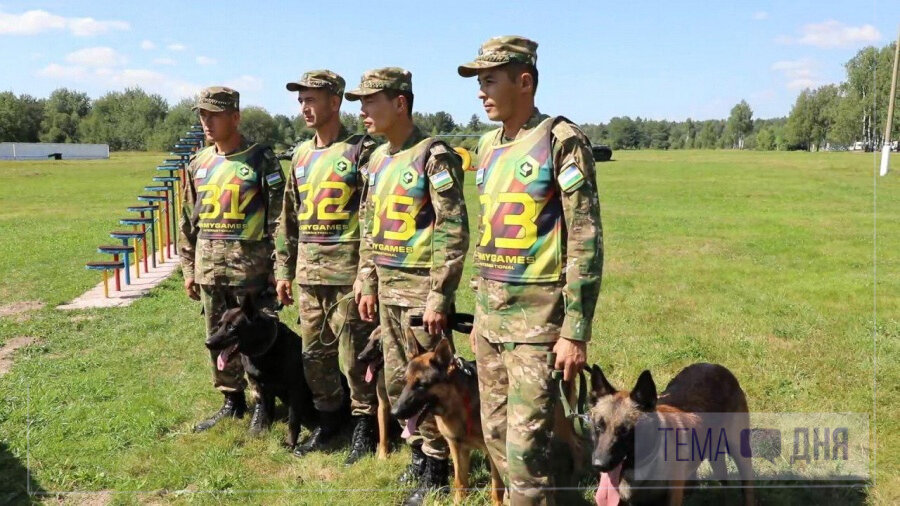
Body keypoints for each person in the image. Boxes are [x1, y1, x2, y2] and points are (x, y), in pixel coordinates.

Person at [458, 36, 603, 504]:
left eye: (490, 80)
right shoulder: (485, 146)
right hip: (489, 323)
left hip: (537, 329)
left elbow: (585, 238)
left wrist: (575, 330)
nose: (481, 91)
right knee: (497, 437)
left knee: (524, 451)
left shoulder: (560, 140)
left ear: (524, 81)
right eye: (479, 82)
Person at [347, 67, 469, 505]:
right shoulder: (377, 159)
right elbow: (368, 227)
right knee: (400, 380)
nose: (362, 110)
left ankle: (439, 468)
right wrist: (366, 280)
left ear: (400, 103)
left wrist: (439, 294)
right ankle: (419, 456)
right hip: (387, 293)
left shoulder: (433, 155)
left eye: (370, 100)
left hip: (420, 295)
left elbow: (452, 229)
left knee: (429, 384)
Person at [274, 70, 380, 464]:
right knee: (314, 355)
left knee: (355, 358)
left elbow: (374, 220)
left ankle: (365, 426)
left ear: (335, 101)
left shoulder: (362, 151)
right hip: (309, 275)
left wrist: (366, 276)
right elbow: (288, 217)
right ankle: (330, 418)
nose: (305, 107)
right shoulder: (300, 154)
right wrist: (284, 270)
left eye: (312, 99)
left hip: (347, 275)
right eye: (301, 100)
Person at [178, 86, 285, 434]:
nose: (206, 121)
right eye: (202, 114)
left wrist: (277, 268)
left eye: (214, 114)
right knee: (218, 336)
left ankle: (262, 401)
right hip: (210, 271)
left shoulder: (260, 159)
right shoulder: (199, 163)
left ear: (235, 117)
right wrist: (189, 269)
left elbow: (279, 217)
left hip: (249, 271)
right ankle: (231, 400)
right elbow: (186, 222)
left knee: (255, 338)